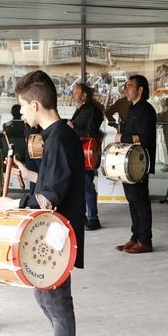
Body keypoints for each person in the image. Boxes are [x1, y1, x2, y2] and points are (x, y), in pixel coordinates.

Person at [0, 70, 88, 336]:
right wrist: (32, 174)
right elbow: (58, 180)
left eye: (22, 107)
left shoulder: (59, 137)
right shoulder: (57, 137)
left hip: (56, 235)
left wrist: (14, 202)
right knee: (47, 297)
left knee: (56, 302)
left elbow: (49, 199)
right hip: (56, 231)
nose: (21, 113)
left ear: (35, 104)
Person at [115, 75, 157, 254]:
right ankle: (135, 237)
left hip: (139, 163)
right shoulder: (132, 108)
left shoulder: (146, 110)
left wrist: (121, 138)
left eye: (130, 86)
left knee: (140, 201)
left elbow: (143, 138)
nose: (126, 89)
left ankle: (145, 241)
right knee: (132, 201)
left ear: (140, 90)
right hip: (129, 162)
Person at [67, 83, 104, 231]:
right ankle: (84, 215)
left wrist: (73, 128)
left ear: (84, 95)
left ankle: (93, 218)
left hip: (87, 153)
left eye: (76, 93)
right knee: (82, 185)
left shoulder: (92, 111)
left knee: (87, 185)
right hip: (79, 151)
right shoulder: (81, 109)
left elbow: (91, 133)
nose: (73, 95)